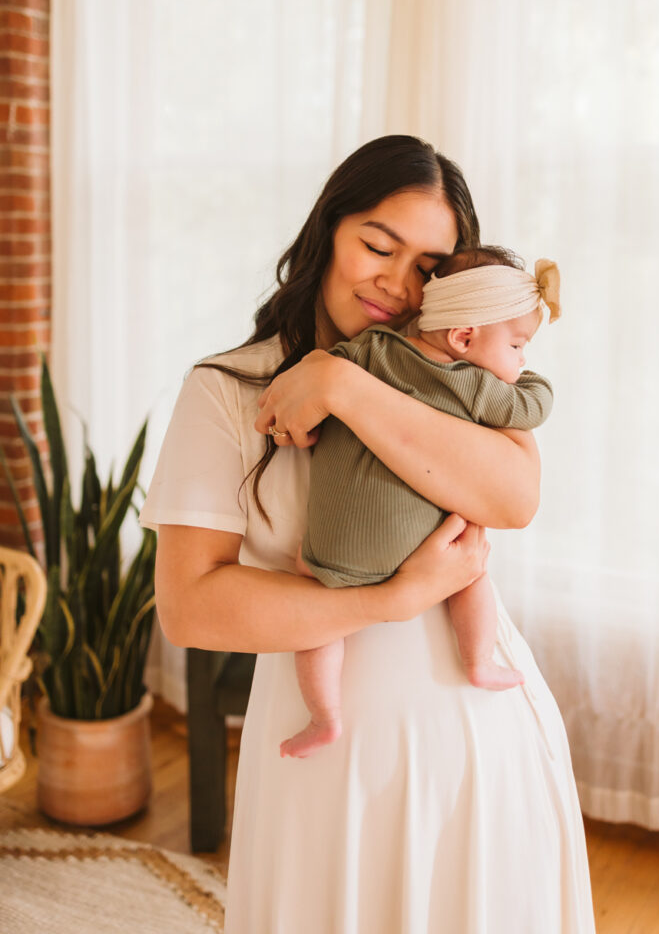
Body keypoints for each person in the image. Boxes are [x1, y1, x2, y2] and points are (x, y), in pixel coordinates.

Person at [142, 135, 595, 934]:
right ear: (327, 234)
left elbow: (516, 496)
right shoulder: (226, 391)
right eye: (377, 246)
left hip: (480, 744)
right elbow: (191, 609)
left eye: (429, 268)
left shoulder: (467, 378)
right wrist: (395, 600)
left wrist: (343, 384)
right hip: (324, 755)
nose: (397, 281)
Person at [282, 246, 560, 760]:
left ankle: (324, 715)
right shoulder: (475, 386)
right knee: (471, 573)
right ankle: (477, 660)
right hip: (420, 553)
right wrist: (529, 378)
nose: (521, 360)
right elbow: (533, 406)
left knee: (315, 615)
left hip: (333, 553)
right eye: (519, 345)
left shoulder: (367, 350)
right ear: (463, 338)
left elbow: (316, 390)